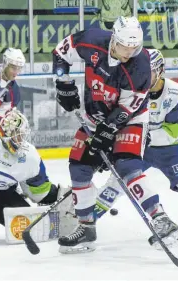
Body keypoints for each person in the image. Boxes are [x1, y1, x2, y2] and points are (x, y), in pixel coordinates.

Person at [52, 16, 155, 254]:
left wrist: (107, 131)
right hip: (94, 117)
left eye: (134, 48)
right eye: (124, 47)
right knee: (78, 166)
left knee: (128, 167)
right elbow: (60, 53)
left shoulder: (140, 64)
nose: (128, 53)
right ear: (113, 40)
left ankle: (160, 219)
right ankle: (86, 228)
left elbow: (128, 107)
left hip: (130, 120)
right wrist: (63, 82)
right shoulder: (92, 39)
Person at [95, 49, 178, 246]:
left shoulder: (176, 91)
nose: (143, 77)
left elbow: (172, 131)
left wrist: (136, 137)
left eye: (148, 72)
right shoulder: (129, 90)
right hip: (139, 147)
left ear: (161, 70)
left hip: (170, 149)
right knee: (116, 184)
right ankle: (85, 221)